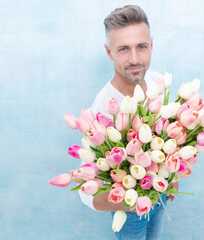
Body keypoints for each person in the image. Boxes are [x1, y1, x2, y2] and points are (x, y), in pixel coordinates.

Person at [78, 5, 178, 239]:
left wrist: (171, 177)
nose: (135, 59)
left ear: (151, 45)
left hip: (160, 194)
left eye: (141, 47)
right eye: (123, 49)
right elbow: (86, 190)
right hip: (129, 208)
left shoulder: (158, 83)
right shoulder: (103, 110)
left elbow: (173, 138)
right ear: (109, 51)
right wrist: (127, 201)